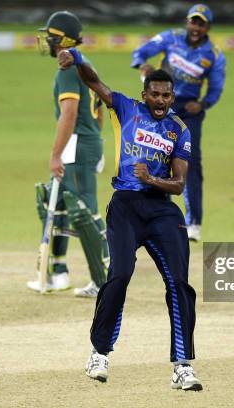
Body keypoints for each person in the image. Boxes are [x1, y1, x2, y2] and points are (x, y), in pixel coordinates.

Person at [58, 47, 203, 391]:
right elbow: (94, 82)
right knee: (120, 274)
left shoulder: (178, 130)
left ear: (172, 97)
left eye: (166, 95)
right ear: (145, 94)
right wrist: (77, 57)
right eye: (155, 94)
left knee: (180, 285)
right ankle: (99, 352)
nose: (161, 100)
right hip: (125, 205)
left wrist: (153, 180)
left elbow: (180, 183)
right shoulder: (126, 108)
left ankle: (182, 366)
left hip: (161, 209)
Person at [26, 11, 108, 298]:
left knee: (84, 211)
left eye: (50, 35)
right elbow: (98, 112)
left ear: (61, 39)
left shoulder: (68, 69)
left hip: (78, 145)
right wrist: (94, 140)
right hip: (85, 143)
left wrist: (55, 154)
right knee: (54, 202)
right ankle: (58, 273)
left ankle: (106, 279)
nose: (46, 40)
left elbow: (69, 114)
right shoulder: (82, 65)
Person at [131, 4, 226, 242]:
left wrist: (203, 104)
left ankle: (193, 223)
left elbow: (216, 88)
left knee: (190, 163)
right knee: (154, 158)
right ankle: (155, 215)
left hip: (189, 112)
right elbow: (141, 52)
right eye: (193, 22)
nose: (195, 27)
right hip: (162, 107)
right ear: (187, 22)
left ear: (207, 27)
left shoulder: (214, 55)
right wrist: (142, 65)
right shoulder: (170, 37)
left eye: (201, 23)